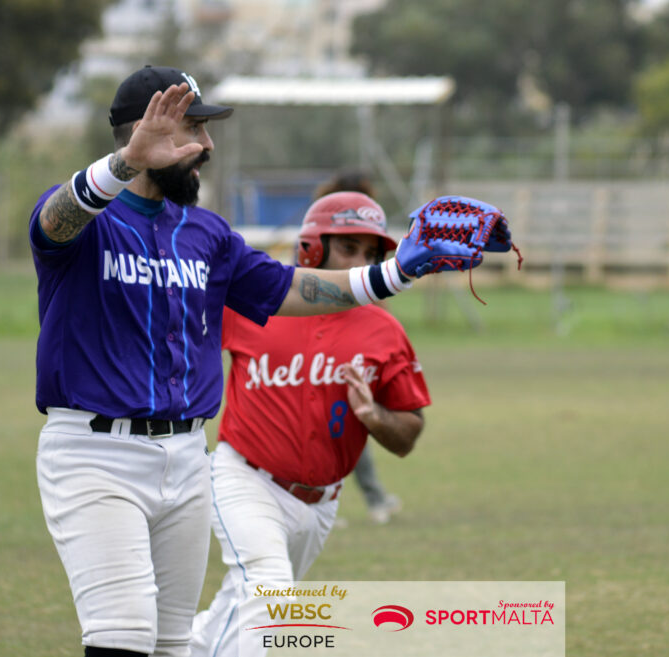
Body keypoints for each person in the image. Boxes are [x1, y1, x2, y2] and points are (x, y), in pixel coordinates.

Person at [29, 66, 424, 657]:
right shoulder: (89, 221)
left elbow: (294, 288)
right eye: (194, 130)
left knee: (170, 645)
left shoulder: (207, 234)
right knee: (123, 634)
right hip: (96, 457)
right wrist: (123, 165)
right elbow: (51, 222)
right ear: (145, 134)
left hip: (187, 459)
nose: (207, 147)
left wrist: (397, 271)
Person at [189, 190, 430, 657]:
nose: (361, 260)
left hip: (321, 503)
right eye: (348, 247)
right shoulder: (255, 306)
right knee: (271, 596)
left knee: (242, 605)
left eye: (371, 253)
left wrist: (372, 416)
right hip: (246, 478)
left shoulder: (383, 330)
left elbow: (407, 436)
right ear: (312, 249)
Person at [312, 171, 404, 525]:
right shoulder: (328, 238)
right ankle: (359, 497)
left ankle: (352, 496)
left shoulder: (348, 238)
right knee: (344, 417)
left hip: (342, 337)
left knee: (345, 417)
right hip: (333, 338)